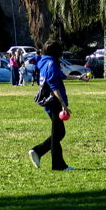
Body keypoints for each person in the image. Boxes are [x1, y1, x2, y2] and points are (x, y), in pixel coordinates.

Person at [29, 41, 73, 171]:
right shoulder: (52, 63)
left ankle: (54, 161)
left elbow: (61, 76)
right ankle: (42, 154)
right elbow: (54, 86)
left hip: (49, 102)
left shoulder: (44, 61)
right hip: (54, 102)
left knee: (58, 133)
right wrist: (63, 104)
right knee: (58, 133)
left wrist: (79, 77)